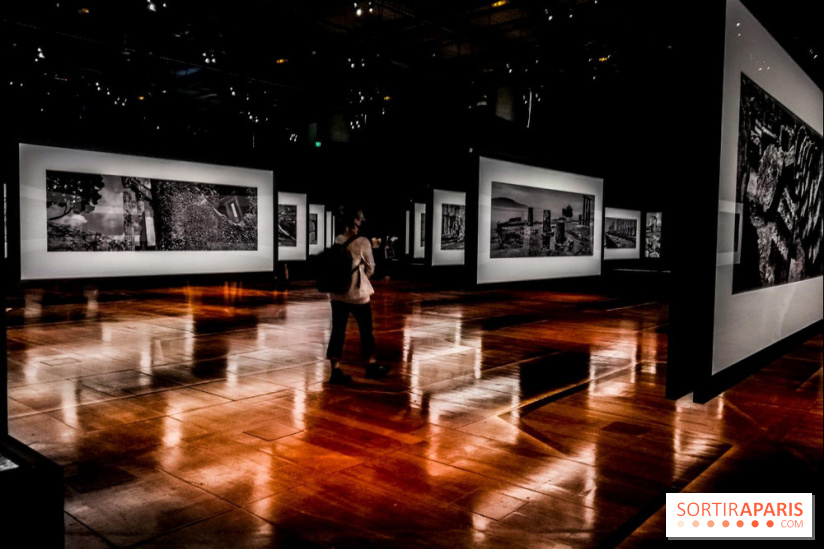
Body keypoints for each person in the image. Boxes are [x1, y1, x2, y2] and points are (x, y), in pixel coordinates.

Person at [326, 206, 391, 384]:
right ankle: (371, 365)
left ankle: (335, 370)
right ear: (356, 221)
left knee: (338, 331)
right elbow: (371, 267)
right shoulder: (363, 242)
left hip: (337, 294)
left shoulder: (338, 239)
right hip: (357, 294)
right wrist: (361, 275)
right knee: (365, 330)